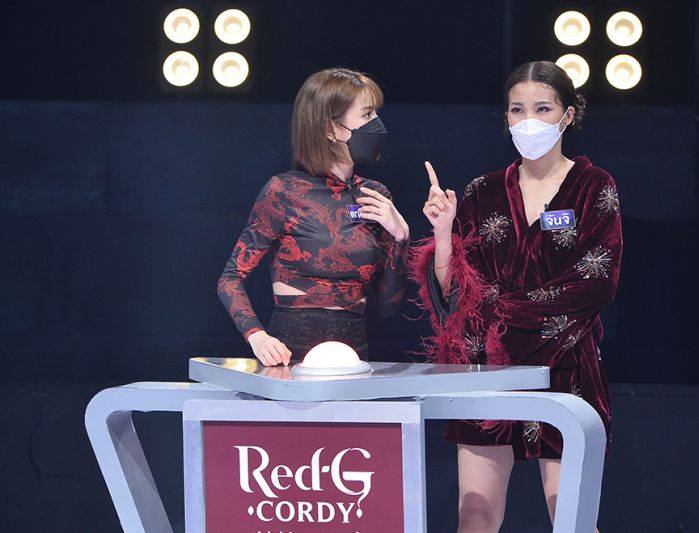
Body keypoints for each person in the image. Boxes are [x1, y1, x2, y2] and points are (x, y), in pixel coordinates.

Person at [412, 60, 621, 532]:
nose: (528, 120)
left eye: (542, 108)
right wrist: (443, 234)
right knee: (475, 515)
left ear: (568, 115)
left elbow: (596, 282)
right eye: (517, 109)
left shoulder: (594, 187)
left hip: (565, 368)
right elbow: (456, 295)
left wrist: (502, 317)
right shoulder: (482, 191)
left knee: (570, 517)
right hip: (487, 373)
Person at [217, 67, 409, 366]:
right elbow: (230, 279)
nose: (377, 124)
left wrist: (400, 238)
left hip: (352, 352)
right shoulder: (284, 191)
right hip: (290, 350)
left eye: (376, 113)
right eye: (367, 114)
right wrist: (257, 336)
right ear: (330, 129)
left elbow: (387, 305)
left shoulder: (375, 194)